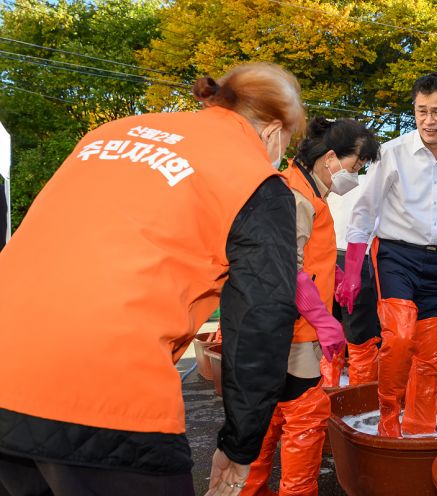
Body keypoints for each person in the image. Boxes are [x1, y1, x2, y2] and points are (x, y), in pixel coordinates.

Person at [0, 63, 305, 495]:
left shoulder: (107, 134)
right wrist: (239, 446)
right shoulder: (254, 178)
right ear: (274, 132)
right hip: (106, 387)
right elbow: (261, 318)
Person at [337, 72, 437, 438]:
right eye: (421, 111)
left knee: (429, 355)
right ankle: (388, 419)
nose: (428, 121)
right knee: (400, 337)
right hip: (395, 255)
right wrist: (354, 272)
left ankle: (420, 431)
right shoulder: (391, 152)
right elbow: (365, 211)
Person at [242, 117, 380, 496]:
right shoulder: (298, 197)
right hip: (292, 334)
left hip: (273, 333)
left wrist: (334, 278)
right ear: (330, 158)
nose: (356, 174)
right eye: (356, 166)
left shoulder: (301, 191)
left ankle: (247, 489)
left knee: (267, 418)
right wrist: (323, 320)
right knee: (305, 419)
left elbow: (303, 256)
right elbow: (289, 266)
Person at [327, 174, 382, 386]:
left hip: (326, 257)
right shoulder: (374, 182)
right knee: (361, 338)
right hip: (358, 258)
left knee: (327, 335)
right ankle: (360, 400)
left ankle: (328, 393)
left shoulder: (324, 180)